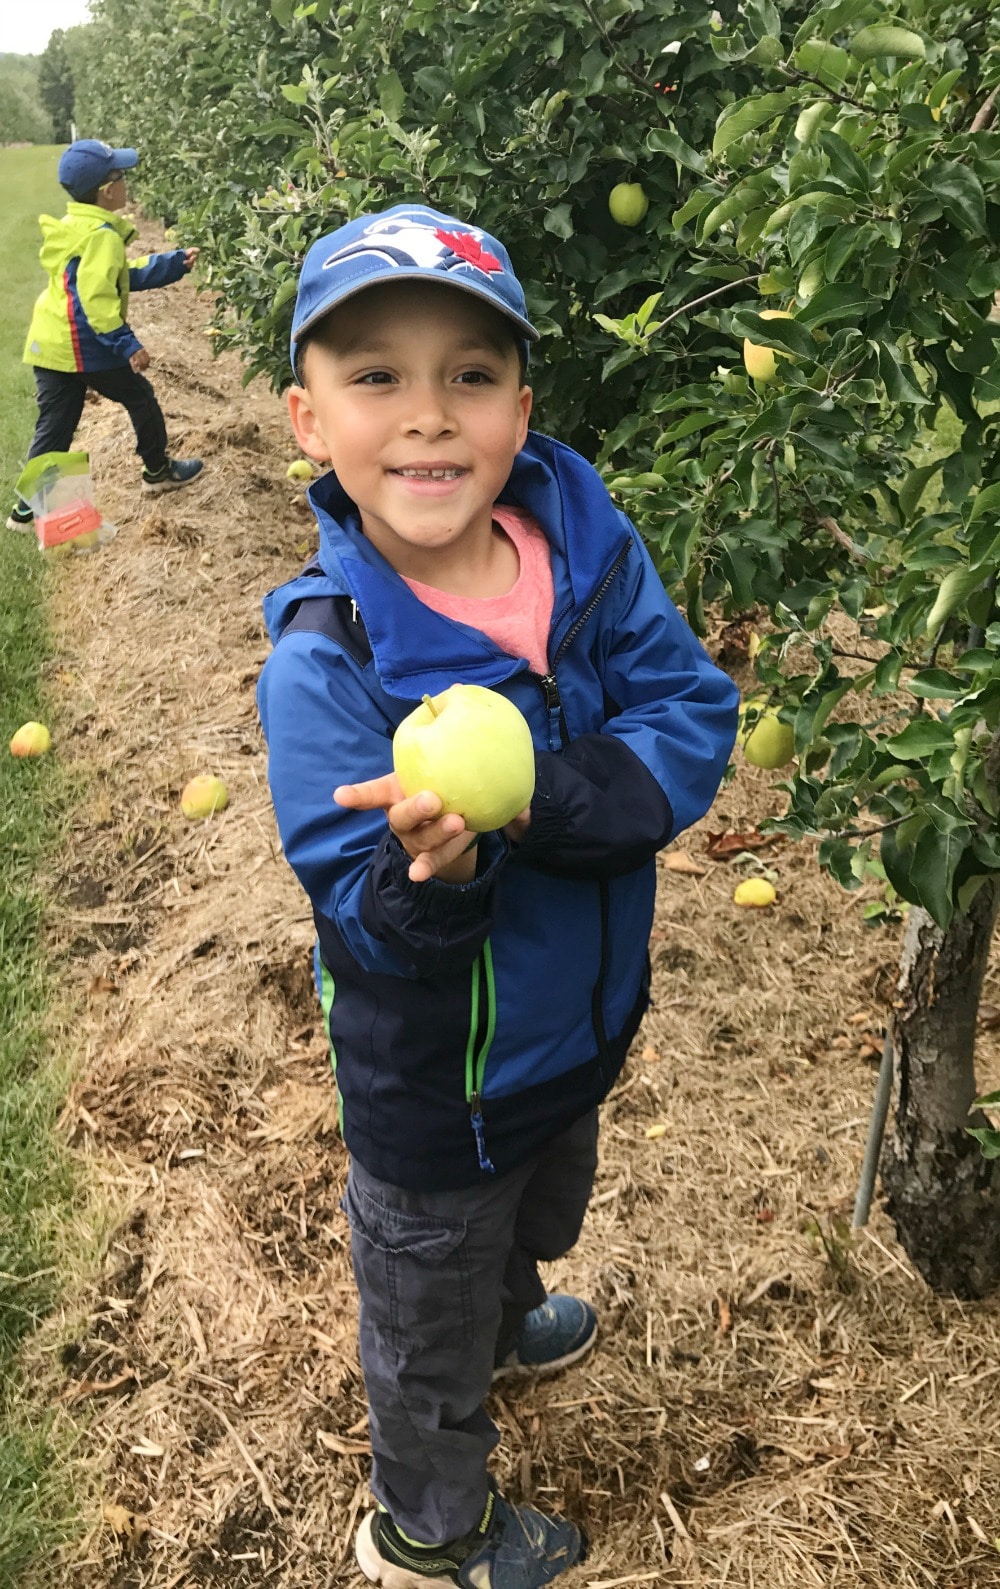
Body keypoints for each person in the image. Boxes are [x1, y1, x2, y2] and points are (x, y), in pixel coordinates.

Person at [256, 203, 739, 1589]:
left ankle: (506, 1315)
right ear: (308, 419)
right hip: (434, 1085)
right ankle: (428, 1522)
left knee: (538, 1209)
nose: (427, 416)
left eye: (469, 375)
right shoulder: (329, 660)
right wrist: (442, 867)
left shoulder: (586, 558)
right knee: (423, 1303)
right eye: (376, 377)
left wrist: (536, 798)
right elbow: (361, 909)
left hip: (576, 1031)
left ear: (520, 409)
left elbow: (689, 717)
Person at [7, 139, 203, 533]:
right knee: (140, 397)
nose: (126, 184)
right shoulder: (102, 236)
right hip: (82, 345)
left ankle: (25, 512)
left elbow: (118, 276)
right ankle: (157, 470)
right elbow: (96, 301)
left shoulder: (77, 228)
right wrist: (127, 344)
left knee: (57, 423)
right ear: (107, 190)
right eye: (121, 177)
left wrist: (171, 264)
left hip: (51, 342)